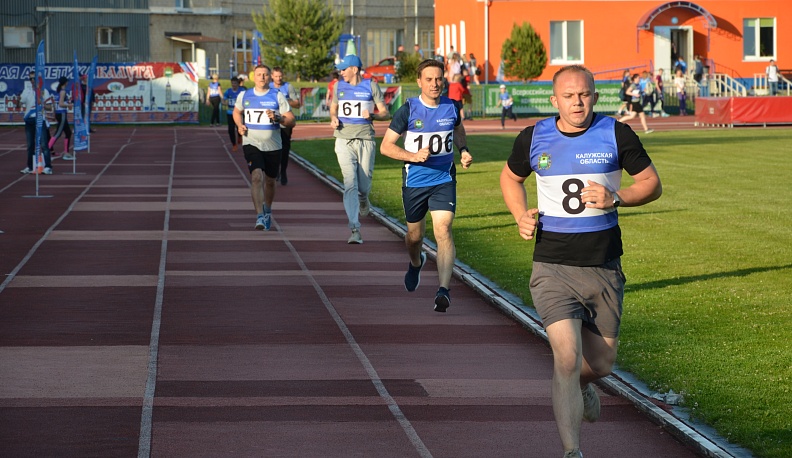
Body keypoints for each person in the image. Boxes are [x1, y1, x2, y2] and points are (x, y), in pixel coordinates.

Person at [500, 64, 662, 458]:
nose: (577, 102)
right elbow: (510, 178)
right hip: (552, 265)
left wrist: (616, 197)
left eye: (585, 94)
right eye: (569, 95)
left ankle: (580, 384)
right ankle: (573, 450)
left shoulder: (616, 133)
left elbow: (652, 184)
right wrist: (519, 214)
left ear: (595, 96)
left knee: (601, 363)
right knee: (567, 358)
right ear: (554, 100)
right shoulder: (533, 137)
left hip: (603, 265)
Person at [380, 59, 473, 313]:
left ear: (444, 80)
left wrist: (463, 150)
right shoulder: (408, 109)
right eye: (429, 79)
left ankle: (443, 290)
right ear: (419, 82)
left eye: (439, 79)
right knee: (415, 237)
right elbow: (386, 147)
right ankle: (415, 261)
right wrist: (412, 156)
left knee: (443, 228)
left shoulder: (451, 107)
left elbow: (459, 129)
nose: (435, 84)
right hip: (415, 181)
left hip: (443, 178)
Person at [329, 54, 389, 244]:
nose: (341, 72)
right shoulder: (339, 86)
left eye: (344, 69)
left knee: (363, 186)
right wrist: (333, 118)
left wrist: (372, 116)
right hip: (343, 138)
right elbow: (333, 107)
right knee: (350, 183)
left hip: (365, 139)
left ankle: (364, 198)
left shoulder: (371, 86)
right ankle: (355, 228)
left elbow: (386, 113)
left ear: (354, 69)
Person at [232, 64, 296, 231]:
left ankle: (267, 208)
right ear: (253, 76)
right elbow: (237, 112)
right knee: (256, 177)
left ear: (270, 77)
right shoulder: (245, 95)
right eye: (259, 74)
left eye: (265, 75)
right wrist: (240, 125)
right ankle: (260, 216)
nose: (262, 77)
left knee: (270, 181)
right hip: (251, 142)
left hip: (273, 145)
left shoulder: (277, 95)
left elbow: (291, 120)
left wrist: (279, 118)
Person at [270, 66, 301, 185]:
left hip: (285, 122)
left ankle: (283, 171)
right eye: (276, 76)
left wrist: (283, 100)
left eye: (280, 76)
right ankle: (275, 170)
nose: (278, 78)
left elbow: (297, 104)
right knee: (273, 148)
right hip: (272, 122)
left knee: (284, 149)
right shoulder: (269, 87)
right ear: (272, 76)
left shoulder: (288, 87)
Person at [20, 71, 54, 175]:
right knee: (30, 145)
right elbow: (21, 102)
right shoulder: (27, 91)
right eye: (30, 78)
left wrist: (42, 102)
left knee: (44, 144)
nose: (32, 80)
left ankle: (48, 166)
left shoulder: (44, 91)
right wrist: (18, 99)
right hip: (29, 120)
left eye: (34, 78)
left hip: (40, 119)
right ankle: (30, 166)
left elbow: (49, 107)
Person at [48, 76, 74, 160]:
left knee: (68, 133)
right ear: (65, 82)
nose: (68, 83)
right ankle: (46, 151)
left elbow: (57, 104)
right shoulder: (62, 92)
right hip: (61, 113)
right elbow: (61, 104)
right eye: (67, 82)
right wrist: (69, 105)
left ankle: (66, 153)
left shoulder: (58, 91)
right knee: (58, 133)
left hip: (59, 113)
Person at [223, 77, 245, 151]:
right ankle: (234, 144)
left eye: (235, 83)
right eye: (232, 83)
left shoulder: (242, 91)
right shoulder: (228, 91)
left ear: (238, 84)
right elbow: (223, 99)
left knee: (239, 126)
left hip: (239, 113)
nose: (234, 85)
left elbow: (247, 98)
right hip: (230, 112)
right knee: (230, 129)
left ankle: (239, 136)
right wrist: (224, 102)